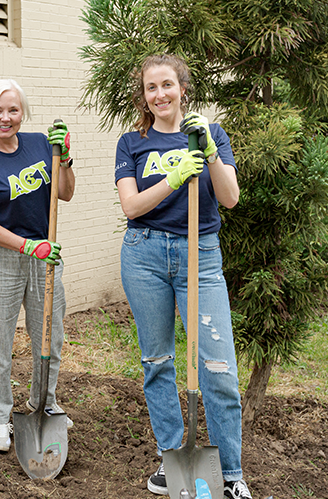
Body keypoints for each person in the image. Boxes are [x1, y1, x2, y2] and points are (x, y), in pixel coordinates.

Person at [114, 53, 251, 499]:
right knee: (157, 363)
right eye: (151, 88)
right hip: (145, 255)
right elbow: (131, 207)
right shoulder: (131, 143)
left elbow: (229, 199)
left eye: (167, 85)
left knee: (219, 368)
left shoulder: (210, 135)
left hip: (201, 257)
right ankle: (173, 458)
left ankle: (231, 475)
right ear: (144, 96)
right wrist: (174, 177)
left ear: (182, 88)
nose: (160, 95)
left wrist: (209, 152)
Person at [0, 79, 75, 452]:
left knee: (49, 337)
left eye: (12, 110)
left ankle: (44, 402)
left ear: (22, 112)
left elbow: (66, 192)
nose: (5, 118)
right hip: (0, 259)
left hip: (44, 256)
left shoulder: (42, 144)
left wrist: (66, 160)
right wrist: (28, 246)